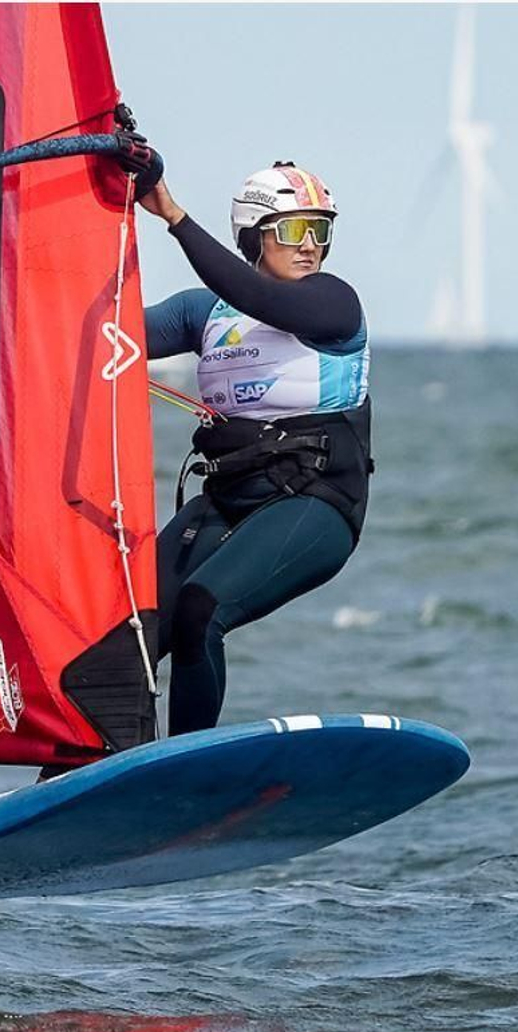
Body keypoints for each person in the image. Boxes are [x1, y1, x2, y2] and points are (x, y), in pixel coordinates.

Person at [129, 161, 373, 737]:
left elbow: (261, 299)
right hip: (229, 498)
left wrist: (174, 217)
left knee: (200, 611)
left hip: (315, 503)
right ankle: (86, 772)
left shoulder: (335, 304)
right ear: (253, 235)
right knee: (129, 634)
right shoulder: (204, 314)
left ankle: (186, 768)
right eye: (293, 230)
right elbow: (109, 332)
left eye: (321, 229)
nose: (310, 245)